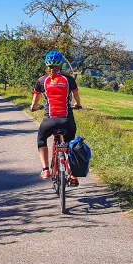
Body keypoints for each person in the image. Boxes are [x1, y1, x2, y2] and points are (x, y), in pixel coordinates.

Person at [31, 50, 82, 185]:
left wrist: (34, 107)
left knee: (41, 139)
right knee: (69, 143)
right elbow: (76, 97)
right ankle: (71, 173)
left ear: (47, 65)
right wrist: (77, 104)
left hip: (49, 121)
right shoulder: (69, 80)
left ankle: (45, 169)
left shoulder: (41, 81)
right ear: (61, 65)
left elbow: (35, 100)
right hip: (67, 121)